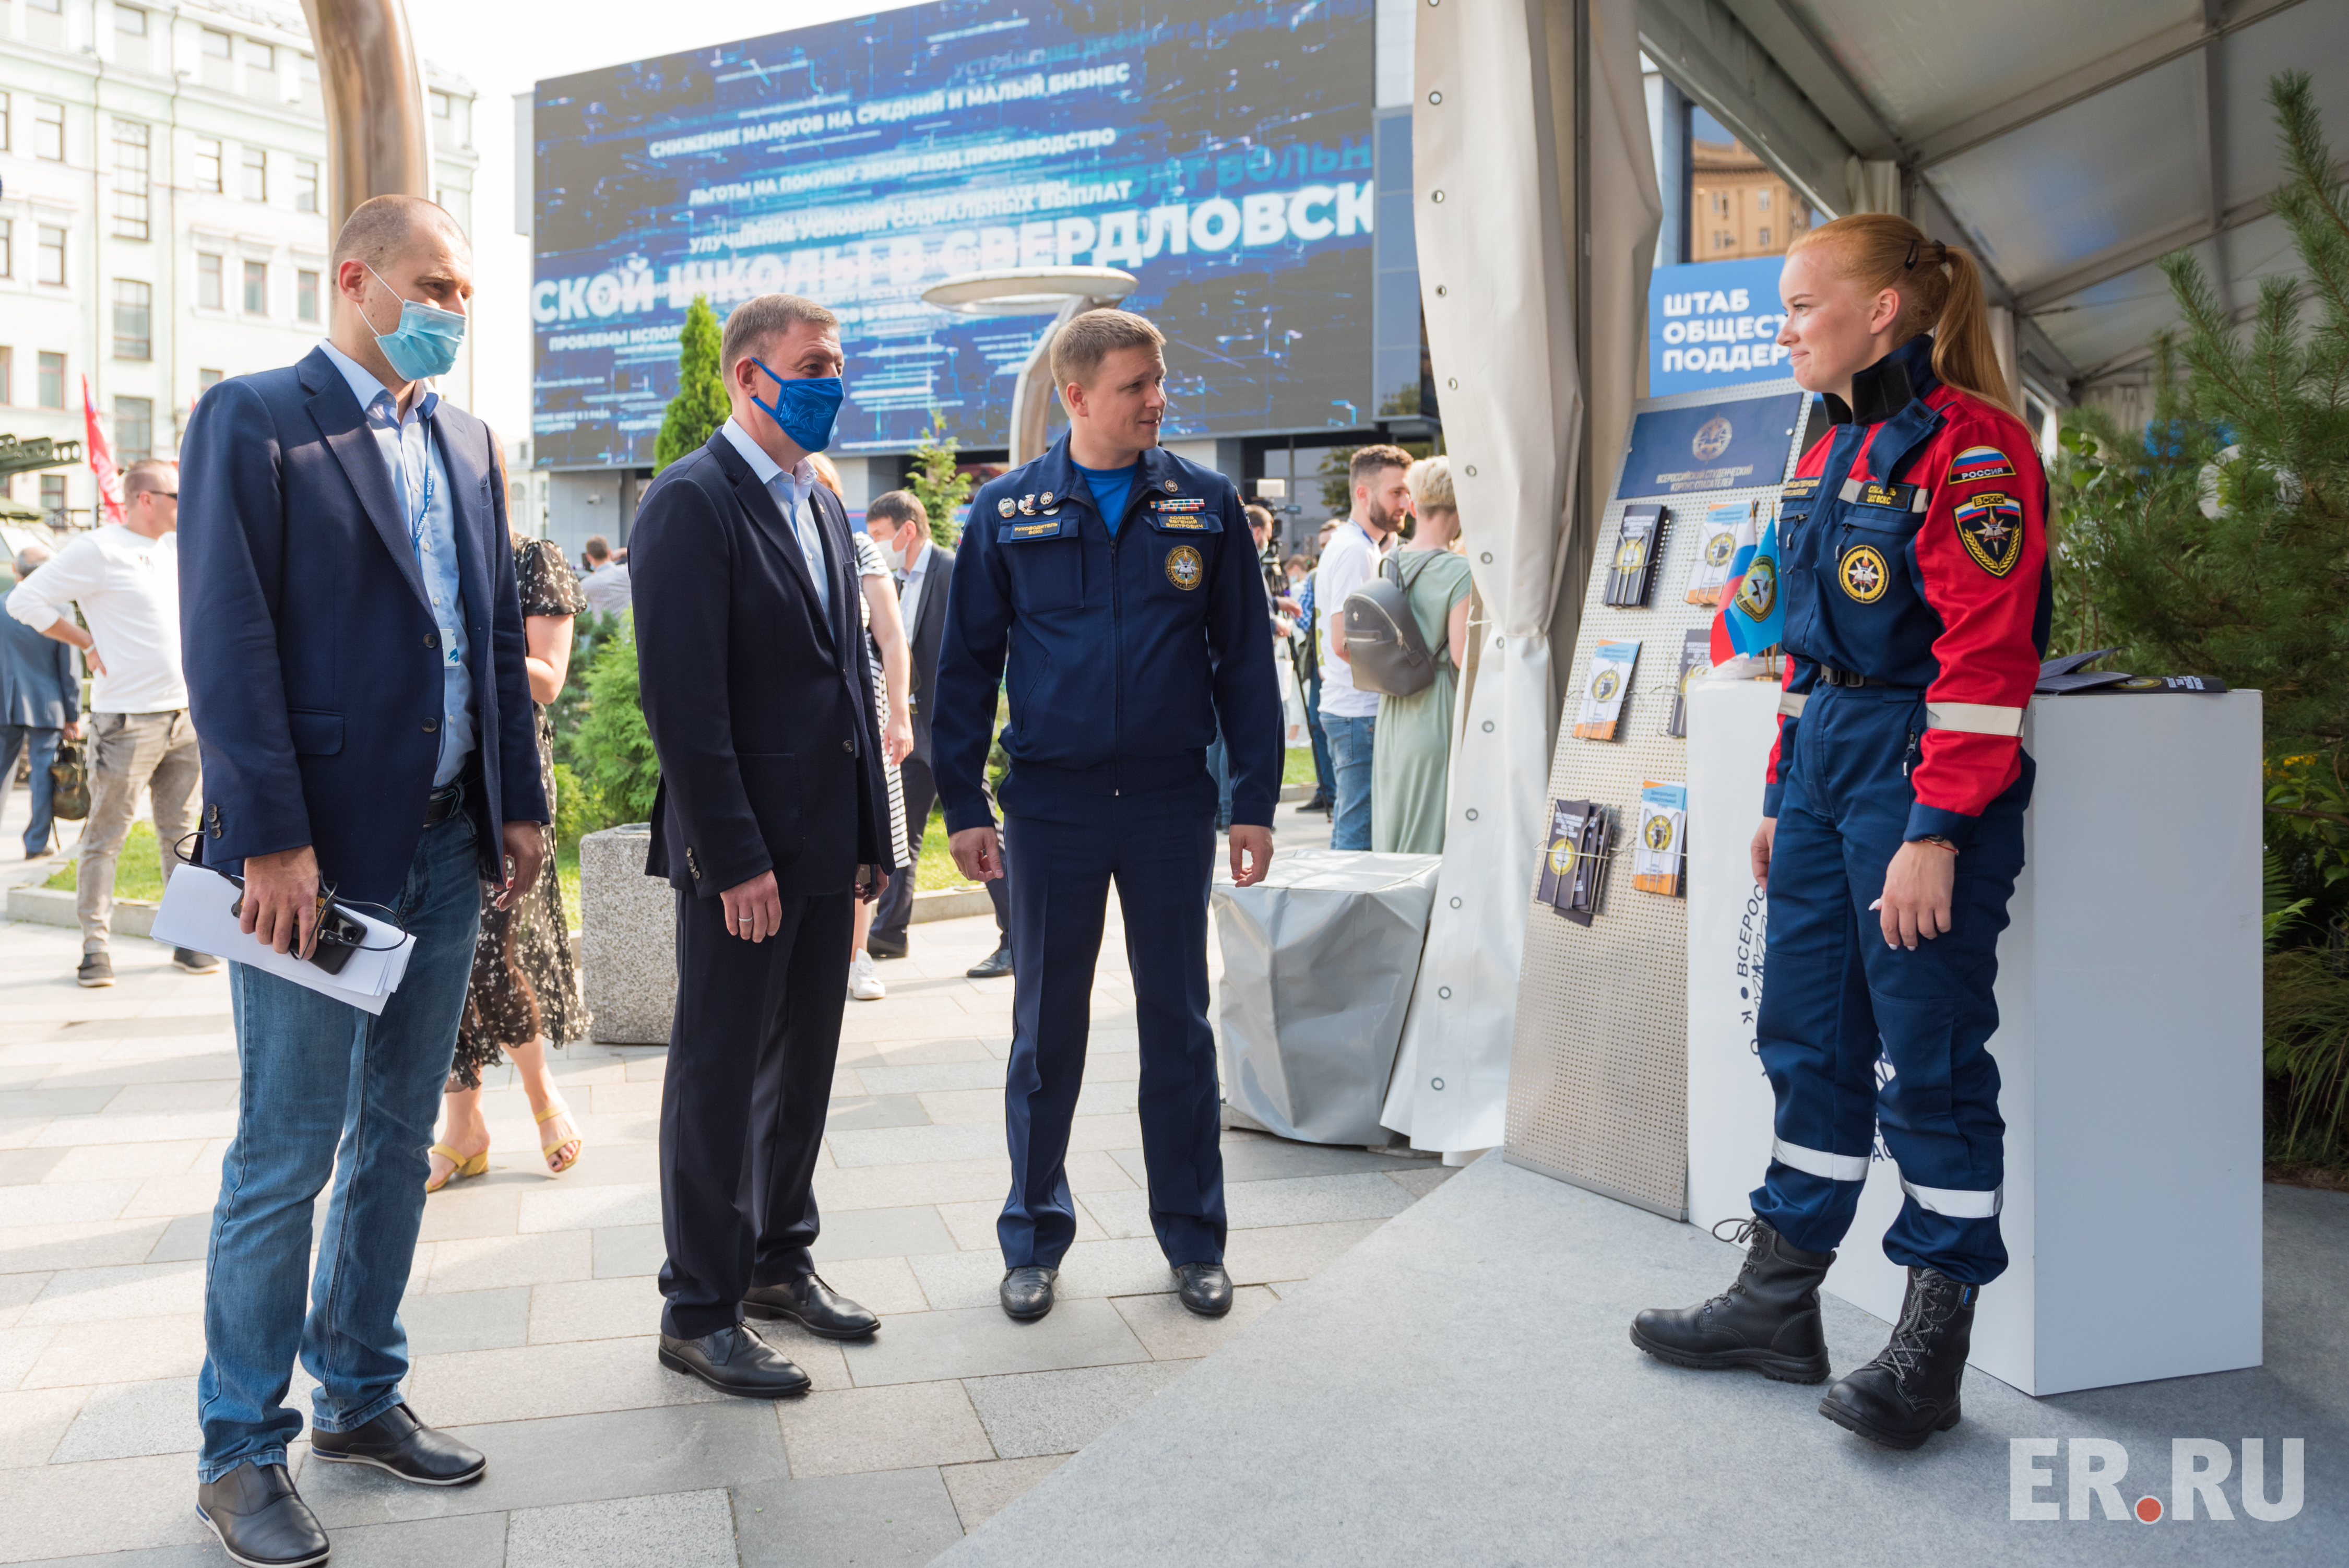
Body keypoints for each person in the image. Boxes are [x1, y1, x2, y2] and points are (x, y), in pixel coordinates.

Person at [1629, 214, 2048, 1453]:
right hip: (1820, 772)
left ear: (1881, 311)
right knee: (1804, 1035)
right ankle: (1775, 1305)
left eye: (1801, 303)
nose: (1783, 326)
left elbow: (1984, 661)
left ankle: (1931, 1341)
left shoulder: (1970, 452)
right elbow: (1800, 650)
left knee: (1923, 1053)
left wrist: (1934, 828)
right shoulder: (1824, 453)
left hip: (1916, 773)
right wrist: (1774, 795)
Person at [177, 193, 548, 1567]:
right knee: (285, 1151)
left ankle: (362, 1392)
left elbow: (494, 636)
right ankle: (239, 1451)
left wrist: (519, 808)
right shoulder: (256, 419)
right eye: (436, 283)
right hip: (312, 864)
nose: (457, 308)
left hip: (448, 843)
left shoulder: (464, 436)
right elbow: (227, 636)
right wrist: (272, 837)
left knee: (399, 1136)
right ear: (358, 279)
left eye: (467, 290)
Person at [933, 308, 1282, 1325]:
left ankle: (1194, 1239)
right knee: (1046, 1029)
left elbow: (1246, 666)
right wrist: (963, 802)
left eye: (1159, 379)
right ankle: (1033, 1235)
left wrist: (1252, 799)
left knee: (1179, 1024)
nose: (1157, 399)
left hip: (1173, 802)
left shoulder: (1207, 507)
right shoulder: (1006, 512)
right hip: (1053, 806)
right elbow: (965, 671)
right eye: (1136, 384)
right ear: (1078, 396)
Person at [631, 291, 896, 1399]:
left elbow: (851, 675)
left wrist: (875, 832)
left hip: (827, 842)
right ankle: (699, 1305)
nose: (833, 379)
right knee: (719, 1073)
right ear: (747, 376)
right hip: (744, 856)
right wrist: (736, 859)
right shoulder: (693, 502)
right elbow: (685, 708)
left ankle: (778, 1261)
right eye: (814, 362)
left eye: (839, 362)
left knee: (804, 1067)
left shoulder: (818, 499)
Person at [427, 515, 592, 1191]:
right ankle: (462, 1127)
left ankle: (540, 1091)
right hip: (436, 774)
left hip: (510, 780)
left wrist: (457, 643)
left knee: (493, 948)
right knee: (439, 957)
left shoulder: (534, 559)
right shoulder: (435, 558)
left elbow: (549, 680)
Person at [6, 458, 210, 982]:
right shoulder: (98, 549)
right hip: (126, 723)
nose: (184, 506)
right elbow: (24, 600)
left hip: (184, 717)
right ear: (146, 499)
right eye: (176, 497)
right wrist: (87, 641)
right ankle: (95, 946)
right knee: (106, 836)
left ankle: (188, 940)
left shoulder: (170, 551)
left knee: (182, 834)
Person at [811, 456, 914, 1003]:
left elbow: (893, 637)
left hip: (862, 706)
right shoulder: (773, 538)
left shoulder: (857, 546)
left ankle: (857, 956)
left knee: (864, 837)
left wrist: (899, 712)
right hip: (798, 714)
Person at [1370, 458, 1475, 854]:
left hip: (1393, 712)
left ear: (1415, 507)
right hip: (1436, 708)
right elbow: (1464, 656)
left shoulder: (1389, 562)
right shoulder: (1460, 572)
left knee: (1393, 832)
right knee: (1430, 841)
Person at [1317, 447, 1413, 850]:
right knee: (1356, 832)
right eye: (1396, 493)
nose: (1406, 503)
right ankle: (1346, 912)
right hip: (1358, 713)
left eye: (1408, 493)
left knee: (1355, 826)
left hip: (1353, 710)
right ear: (1362, 494)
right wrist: (1408, 675)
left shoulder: (1365, 546)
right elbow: (1344, 643)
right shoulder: (1355, 550)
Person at [1, 545, 81, 861]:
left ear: (15, 569)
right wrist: (73, 714)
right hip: (48, 705)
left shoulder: (1, 605)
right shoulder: (61, 609)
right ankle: (35, 844)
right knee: (43, 775)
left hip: (5, 702)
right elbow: (70, 669)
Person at [578, 534, 632, 615]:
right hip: (629, 626)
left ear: (588, 557)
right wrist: (624, 551)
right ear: (609, 552)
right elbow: (638, 557)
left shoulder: (587, 584)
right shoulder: (627, 571)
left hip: (604, 627)